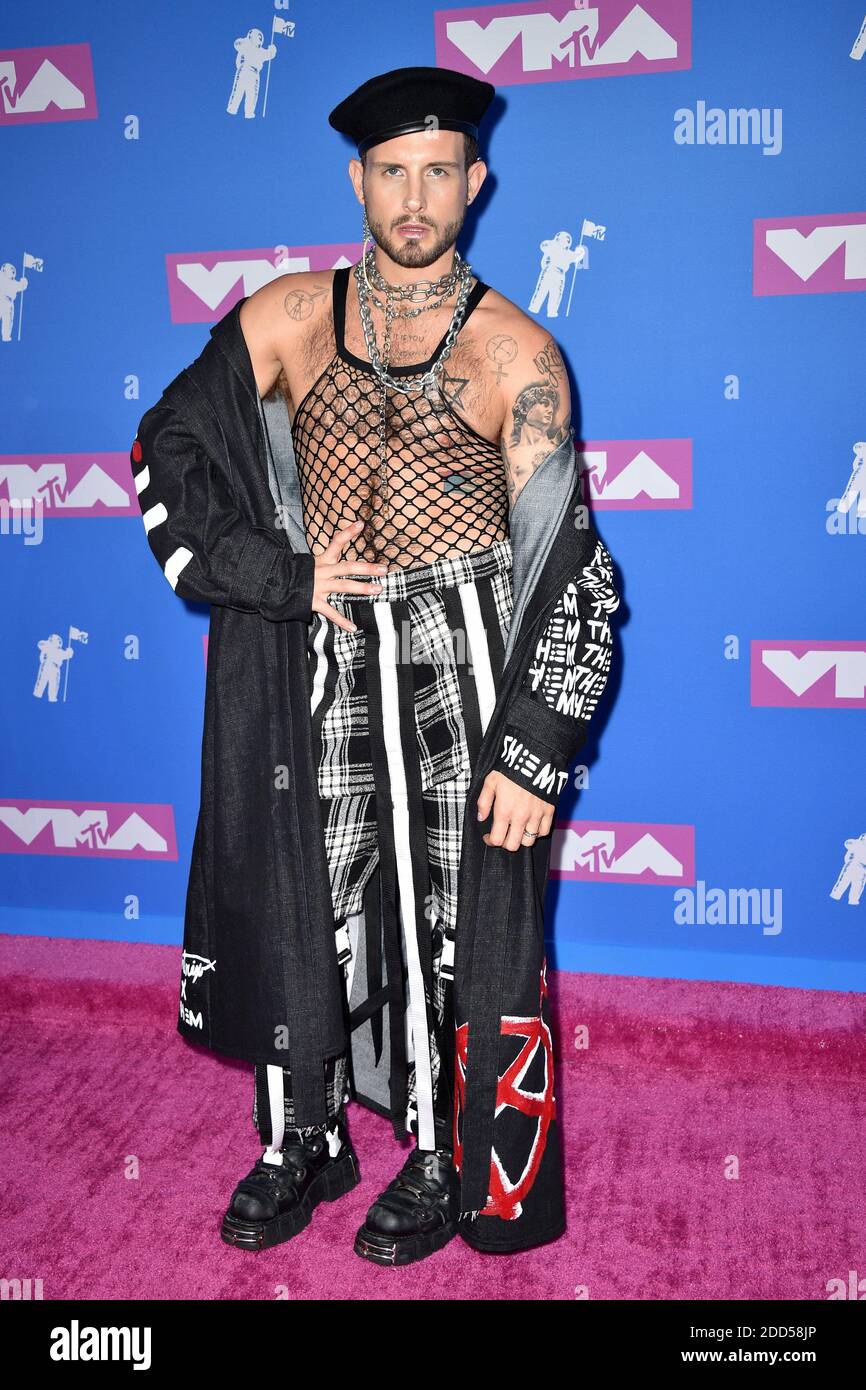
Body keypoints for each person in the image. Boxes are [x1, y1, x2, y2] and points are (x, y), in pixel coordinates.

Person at [131, 65, 620, 1265]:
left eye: (437, 173)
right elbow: (169, 444)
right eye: (391, 173)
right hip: (321, 650)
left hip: (461, 660)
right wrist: (277, 576)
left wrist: (534, 751)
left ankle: (447, 1150)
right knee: (309, 892)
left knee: (455, 919)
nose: (413, 197)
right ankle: (302, 1135)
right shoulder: (291, 316)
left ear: (474, 183)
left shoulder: (518, 356)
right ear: (357, 180)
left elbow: (576, 571)